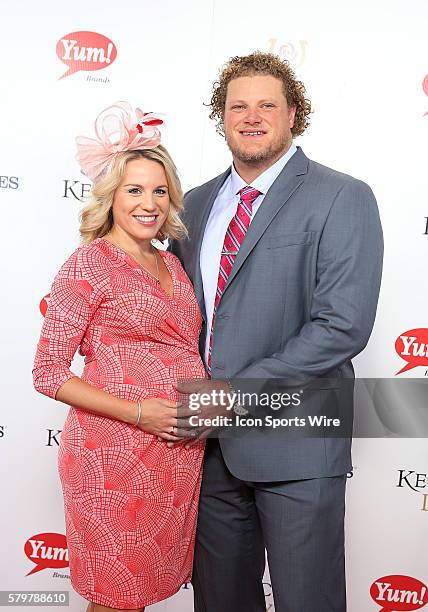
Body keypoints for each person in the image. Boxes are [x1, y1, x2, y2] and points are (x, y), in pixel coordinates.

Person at [170, 52, 384, 611]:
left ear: (294, 113)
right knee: (220, 602)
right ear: (221, 117)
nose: (251, 116)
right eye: (237, 106)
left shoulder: (342, 196)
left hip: (298, 439)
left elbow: (342, 325)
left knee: (306, 601)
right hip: (211, 447)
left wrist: (231, 394)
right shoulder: (192, 205)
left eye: (267, 104)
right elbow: (177, 319)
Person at [33, 101, 206, 612]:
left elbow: (181, 351)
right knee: (114, 596)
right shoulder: (88, 264)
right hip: (114, 456)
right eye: (134, 190)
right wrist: (138, 411)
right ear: (110, 196)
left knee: (143, 593)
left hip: (175, 457)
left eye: (159, 190)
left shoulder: (171, 265)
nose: (148, 202)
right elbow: (47, 372)